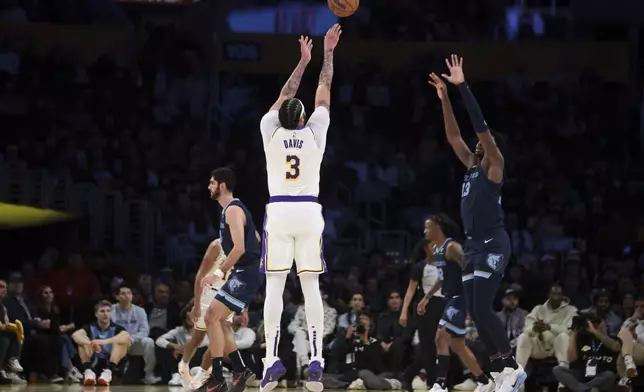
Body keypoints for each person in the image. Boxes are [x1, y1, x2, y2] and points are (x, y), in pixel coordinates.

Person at [429, 55, 526, 392]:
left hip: (492, 242)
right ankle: (500, 369)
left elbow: (479, 127)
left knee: (482, 304)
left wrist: (462, 87)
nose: (475, 144)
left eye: (482, 142)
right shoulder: (471, 164)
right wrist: (444, 100)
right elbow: (454, 136)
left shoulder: (493, 165)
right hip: (473, 243)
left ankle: (513, 366)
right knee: (474, 307)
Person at [257, 23, 341, 392]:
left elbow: (284, 94)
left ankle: (271, 361)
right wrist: (327, 53)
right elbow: (324, 90)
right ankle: (317, 363)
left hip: (278, 210)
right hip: (309, 212)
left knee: (274, 288)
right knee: (311, 287)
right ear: (303, 118)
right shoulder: (315, 131)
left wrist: (301, 62)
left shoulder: (268, 129)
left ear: (281, 116)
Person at [201, 167, 263, 392]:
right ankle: (239, 369)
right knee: (222, 322)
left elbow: (240, 248)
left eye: (211, 183)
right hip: (243, 273)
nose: (208, 187)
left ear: (222, 185)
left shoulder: (233, 209)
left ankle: (218, 377)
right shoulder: (233, 210)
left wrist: (218, 273)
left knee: (211, 317)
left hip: (245, 272)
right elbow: (255, 237)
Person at [421, 214, 492, 392]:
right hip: (448, 298)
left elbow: (470, 270)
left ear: (438, 227)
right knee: (458, 345)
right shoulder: (437, 249)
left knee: (440, 337)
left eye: (428, 227)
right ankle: (484, 381)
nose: (424, 231)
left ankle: (440, 383)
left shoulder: (452, 247)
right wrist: (426, 297)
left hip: (459, 298)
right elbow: (442, 278)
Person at [178, 238, 230, 389]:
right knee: (198, 338)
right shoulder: (217, 245)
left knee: (220, 341)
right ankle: (184, 365)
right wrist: (196, 304)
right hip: (210, 294)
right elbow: (201, 275)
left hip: (229, 296)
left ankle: (202, 374)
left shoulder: (244, 247)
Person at [400, 239, 443, 390]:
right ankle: (430, 380)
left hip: (444, 306)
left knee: (443, 345)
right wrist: (404, 312)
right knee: (428, 346)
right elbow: (410, 290)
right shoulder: (420, 266)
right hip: (425, 307)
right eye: (433, 246)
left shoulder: (446, 265)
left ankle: (414, 375)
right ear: (426, 248)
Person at [552, 312, 621, 392]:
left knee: (610, 375)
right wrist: (574, 332)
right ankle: (586, 390)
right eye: (591, 323)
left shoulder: (612, 338)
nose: (594, 325)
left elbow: (616, 348)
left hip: (601, 374)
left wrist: (595, 332)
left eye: (597, 323)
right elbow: (571, 358)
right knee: (557, 370)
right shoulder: (582, 338)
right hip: (582, 374)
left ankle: (581, 389)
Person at [71, 300, 130, 386]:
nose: (105, 314)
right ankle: (88, 372)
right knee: (82, 342)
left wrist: (102, 342)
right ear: (96, 314)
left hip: (112, 363)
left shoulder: (117, 328)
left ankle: (108, 372)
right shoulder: (89, 327)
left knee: (121, 341)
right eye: (102, 311)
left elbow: (126, 336)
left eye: (108, 311)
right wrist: (91, 343)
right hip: (94, 360)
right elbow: (75, 335)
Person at [111, 285, 160, 385]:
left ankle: (149, 374)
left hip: (134, 343)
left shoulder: (140, 311)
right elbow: (109, 329)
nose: (127, 296)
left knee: (148, 342)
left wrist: (131, 339)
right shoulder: (111, 310)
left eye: (129, 293)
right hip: (116, 343)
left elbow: (145, 330)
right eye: (123, 293)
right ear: (117, 297)